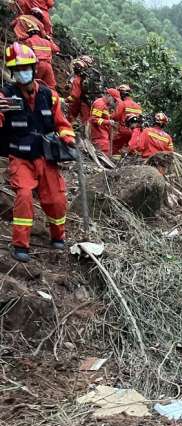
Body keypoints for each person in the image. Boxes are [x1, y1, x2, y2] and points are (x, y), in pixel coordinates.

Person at [0, 43, 75, 262]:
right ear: (13, 73)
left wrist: (67, 138)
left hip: (46, 156)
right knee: (23, 195)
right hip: (20, 158)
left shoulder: (48, 96)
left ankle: (57, 236)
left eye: (26, 67)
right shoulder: (5, 96)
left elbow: (62, 123)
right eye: (18, 69)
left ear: (33, 68)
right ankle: (20, 245)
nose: (23, 72)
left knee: (56, 199)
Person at [18, 22, 58, 88]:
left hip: (38, 65)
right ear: (39, 32)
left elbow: (25, 55)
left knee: (34, 84)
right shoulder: (47, 42)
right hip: (48, 66)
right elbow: (56, 49)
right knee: (51, 86)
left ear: (29, 33)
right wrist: (50, 40)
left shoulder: (28, 41)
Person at [112, 84, 142, 154]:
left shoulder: (122, 104)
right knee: (129, 150)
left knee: (114, 147)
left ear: (121, 94)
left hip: (123, 131)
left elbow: (116, 117)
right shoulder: (138, 106)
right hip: (134, 132)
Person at [89, 89, 118, 156]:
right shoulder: (100, 104)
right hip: (99, 136)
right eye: (114, 100)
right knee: (103, 155)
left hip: (102, 135)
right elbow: (94, 119)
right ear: (109, 96)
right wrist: (108, 122)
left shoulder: (104, 105)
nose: (114, 102)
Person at [67, 56, 92, 123]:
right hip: (89, 102)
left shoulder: (78, 79)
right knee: (86, 121)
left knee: (70, 115)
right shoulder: (90, 77)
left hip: (82, 101)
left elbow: (75, 95)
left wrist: (66, 100)